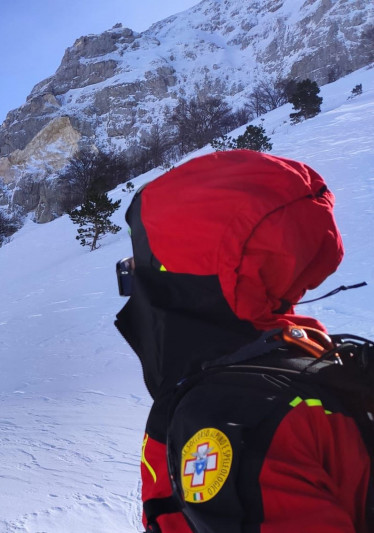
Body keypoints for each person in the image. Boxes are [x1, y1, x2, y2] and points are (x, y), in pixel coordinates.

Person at [114, 150, 373, 532]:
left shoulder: (227, 414)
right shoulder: (311, 357)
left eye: (139, 262)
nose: (130, 276)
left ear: (179, 283)